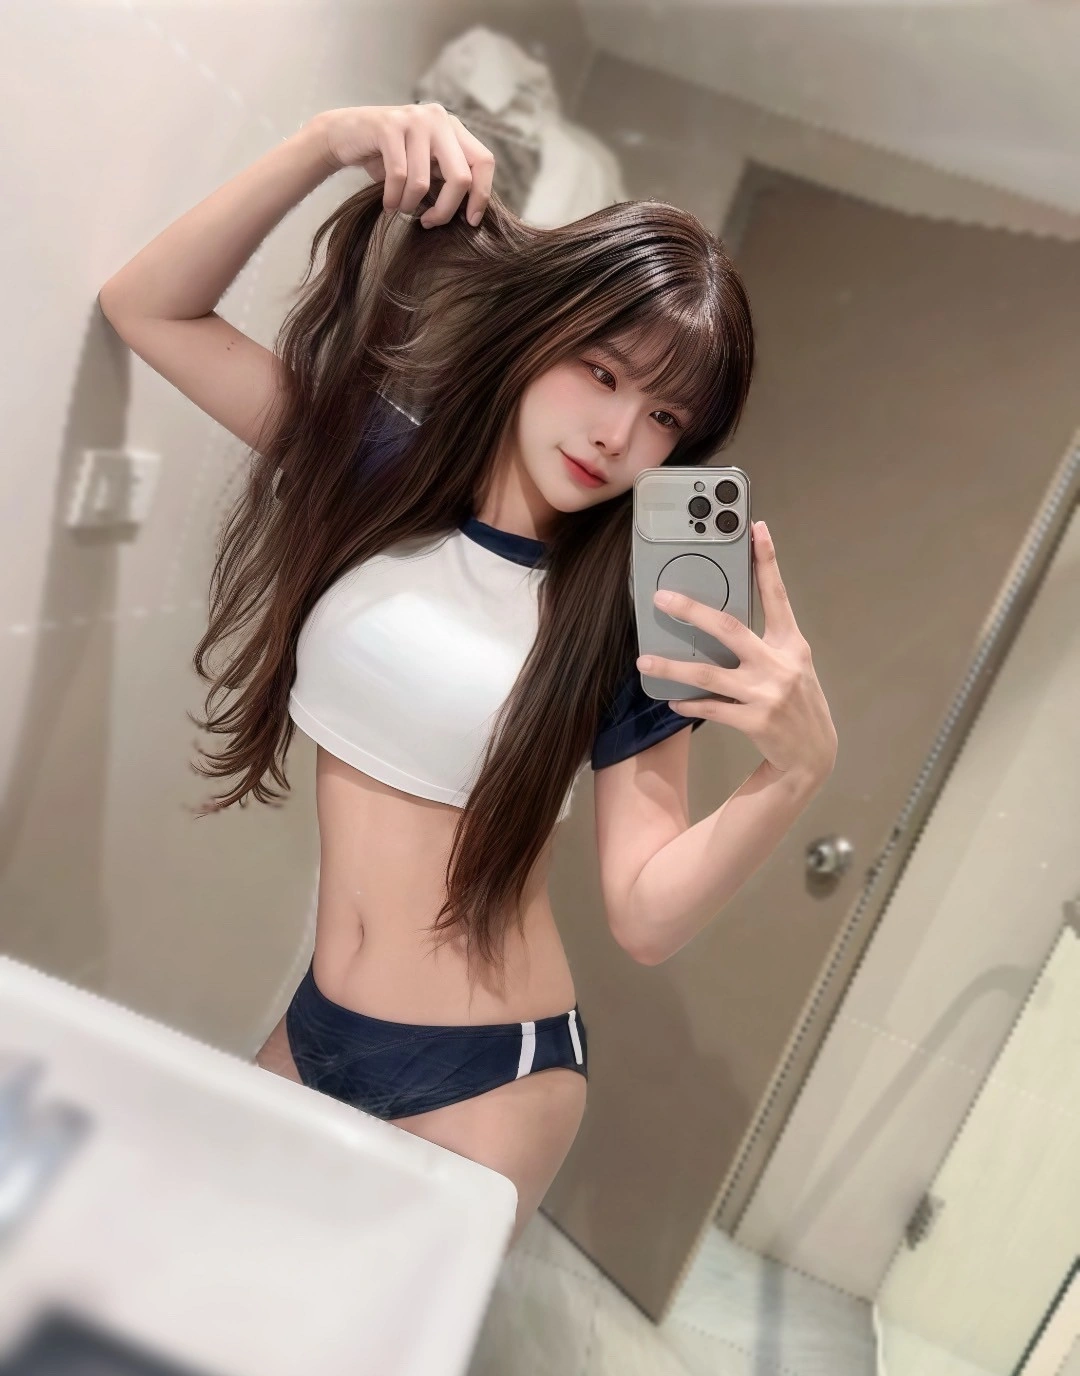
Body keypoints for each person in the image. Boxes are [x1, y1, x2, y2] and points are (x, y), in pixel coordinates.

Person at [97, 103, 837, 1255]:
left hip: (486, 1081)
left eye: (663, 418)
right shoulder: (378, 471)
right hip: (317, 1023)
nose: (617, 435)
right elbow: (148, 307)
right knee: (183, 1287)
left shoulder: (631, 622)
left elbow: (645, 914)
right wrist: (328, 142)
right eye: (601, 370)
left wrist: (793, 774)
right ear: (540, 332)